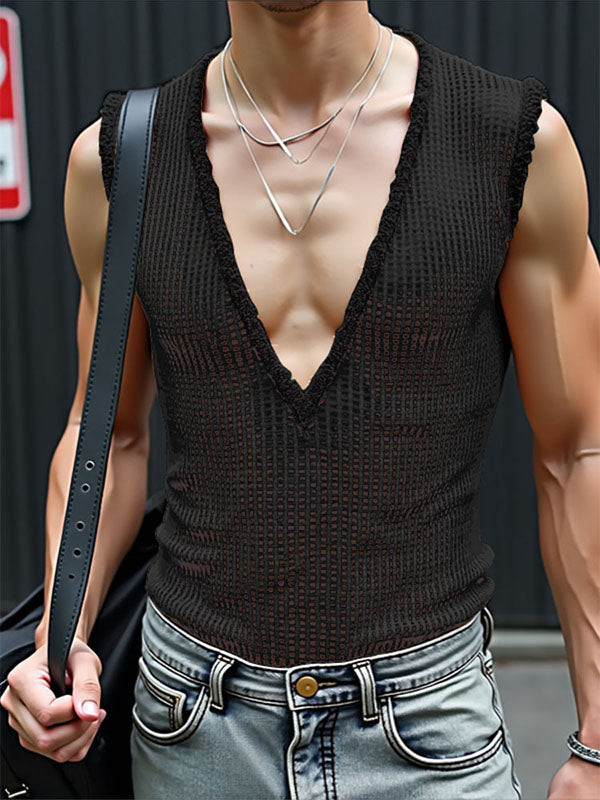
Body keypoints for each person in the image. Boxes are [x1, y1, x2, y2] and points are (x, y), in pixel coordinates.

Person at [2, 1, 599, 799]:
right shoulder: (122, 159)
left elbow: (579, 448)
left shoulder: (509, 142)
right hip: (190, 722)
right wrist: (61, 635)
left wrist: (599, 739)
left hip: (427, 724)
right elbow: (107, 433)